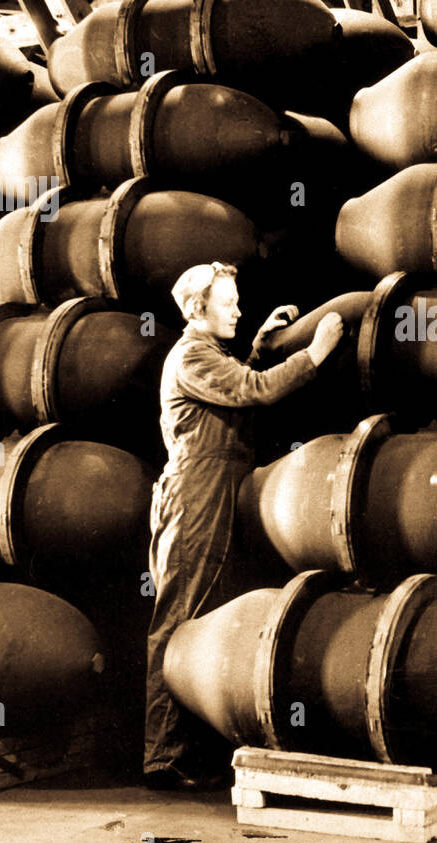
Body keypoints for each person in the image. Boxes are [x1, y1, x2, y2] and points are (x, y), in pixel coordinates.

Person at [143, 261, 344, 790]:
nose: (236, 307)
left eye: (236, 299)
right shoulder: (189, 355)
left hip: (219, 492)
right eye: (227, 301)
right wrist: (314, 354)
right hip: (194, 498)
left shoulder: (209, 355)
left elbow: (235, 388)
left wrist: (258, 344)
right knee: (180, 617)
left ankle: (193, 748)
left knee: (208, 619)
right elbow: (252, 392)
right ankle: (162, 755)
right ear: (196, 308)